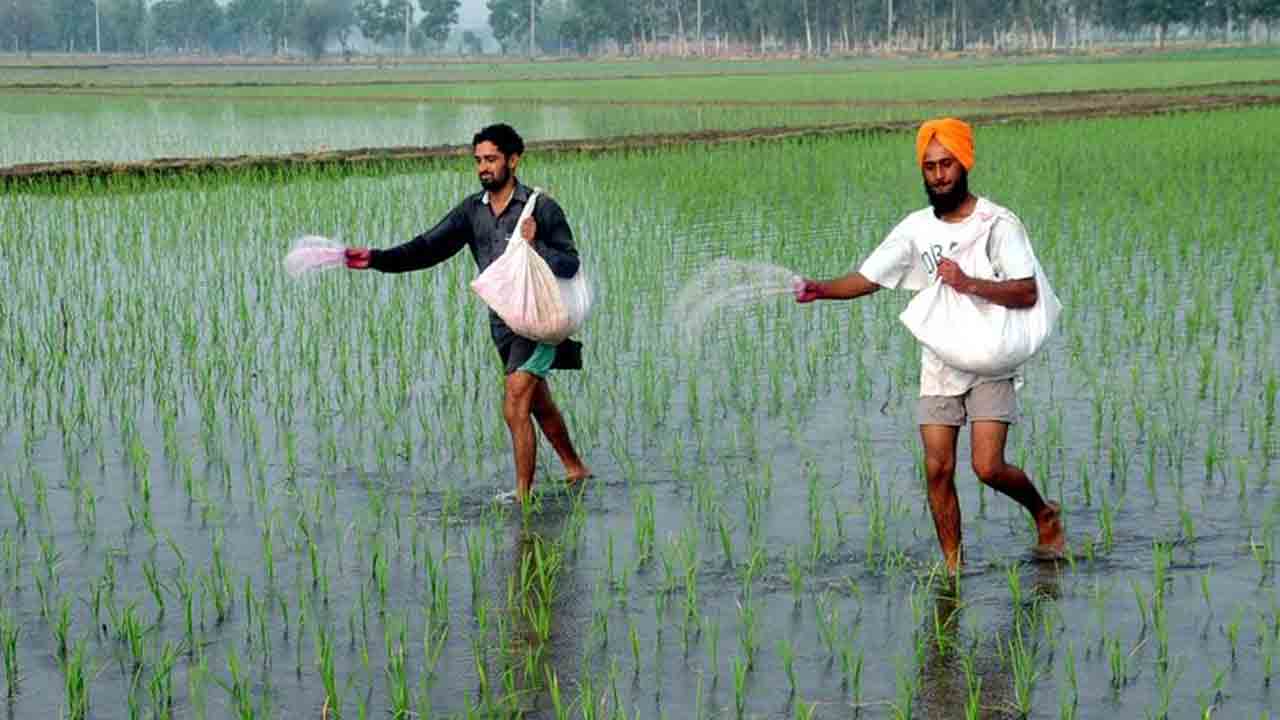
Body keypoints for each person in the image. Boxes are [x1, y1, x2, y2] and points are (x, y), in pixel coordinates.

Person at [793, 118, 1064, 574]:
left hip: (990, 358)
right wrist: (822, 289)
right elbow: (869, 277)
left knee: (987, 466)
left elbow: (1026, 292)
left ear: (965, 164)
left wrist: (969, 282)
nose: (939, 175)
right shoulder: (916, 229)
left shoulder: (998, 224)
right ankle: (953, 569)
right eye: (930, 167)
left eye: (947, 165)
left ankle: (1043, 512)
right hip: (940, 360)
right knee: (938, 469)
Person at [345, 123, 591, 503]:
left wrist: (535, 244)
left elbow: (570, 264)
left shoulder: (540, 208)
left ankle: (523, 500)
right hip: (504, 323)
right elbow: (427, 247)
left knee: (515, 400)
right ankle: (575, 468)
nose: (483, 168)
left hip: (541, 322)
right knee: (537, 402)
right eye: (478, 160)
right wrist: (377, 259)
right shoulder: (471, 212)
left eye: (491, 159)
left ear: (513, 160)